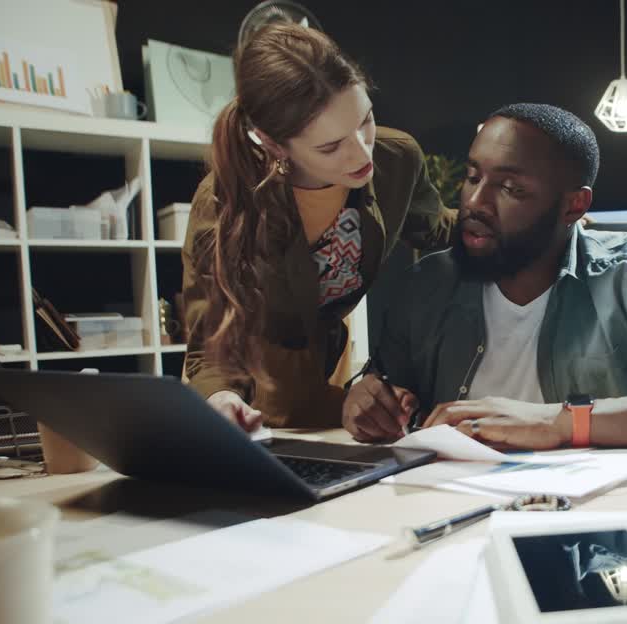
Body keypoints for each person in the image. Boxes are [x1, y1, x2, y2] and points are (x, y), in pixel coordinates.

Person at [342, 103, 627, 449]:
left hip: (601, 511)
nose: (475, 202)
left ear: (574, 206)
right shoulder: (425, 286)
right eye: (472, 177)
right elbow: (382, 390)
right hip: (450, 506)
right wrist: (367, 401)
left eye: (511, 188)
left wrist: (564, 422)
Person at [181, 22, 455, 430]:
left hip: (322, 381)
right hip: (246, 395)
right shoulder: (226, 200)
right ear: (273, 143)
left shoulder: (396, 160)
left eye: (365, 120)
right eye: (330, 147)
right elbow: (211, 344)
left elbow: (439, 229)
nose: (362, 154)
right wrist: (221, 400)